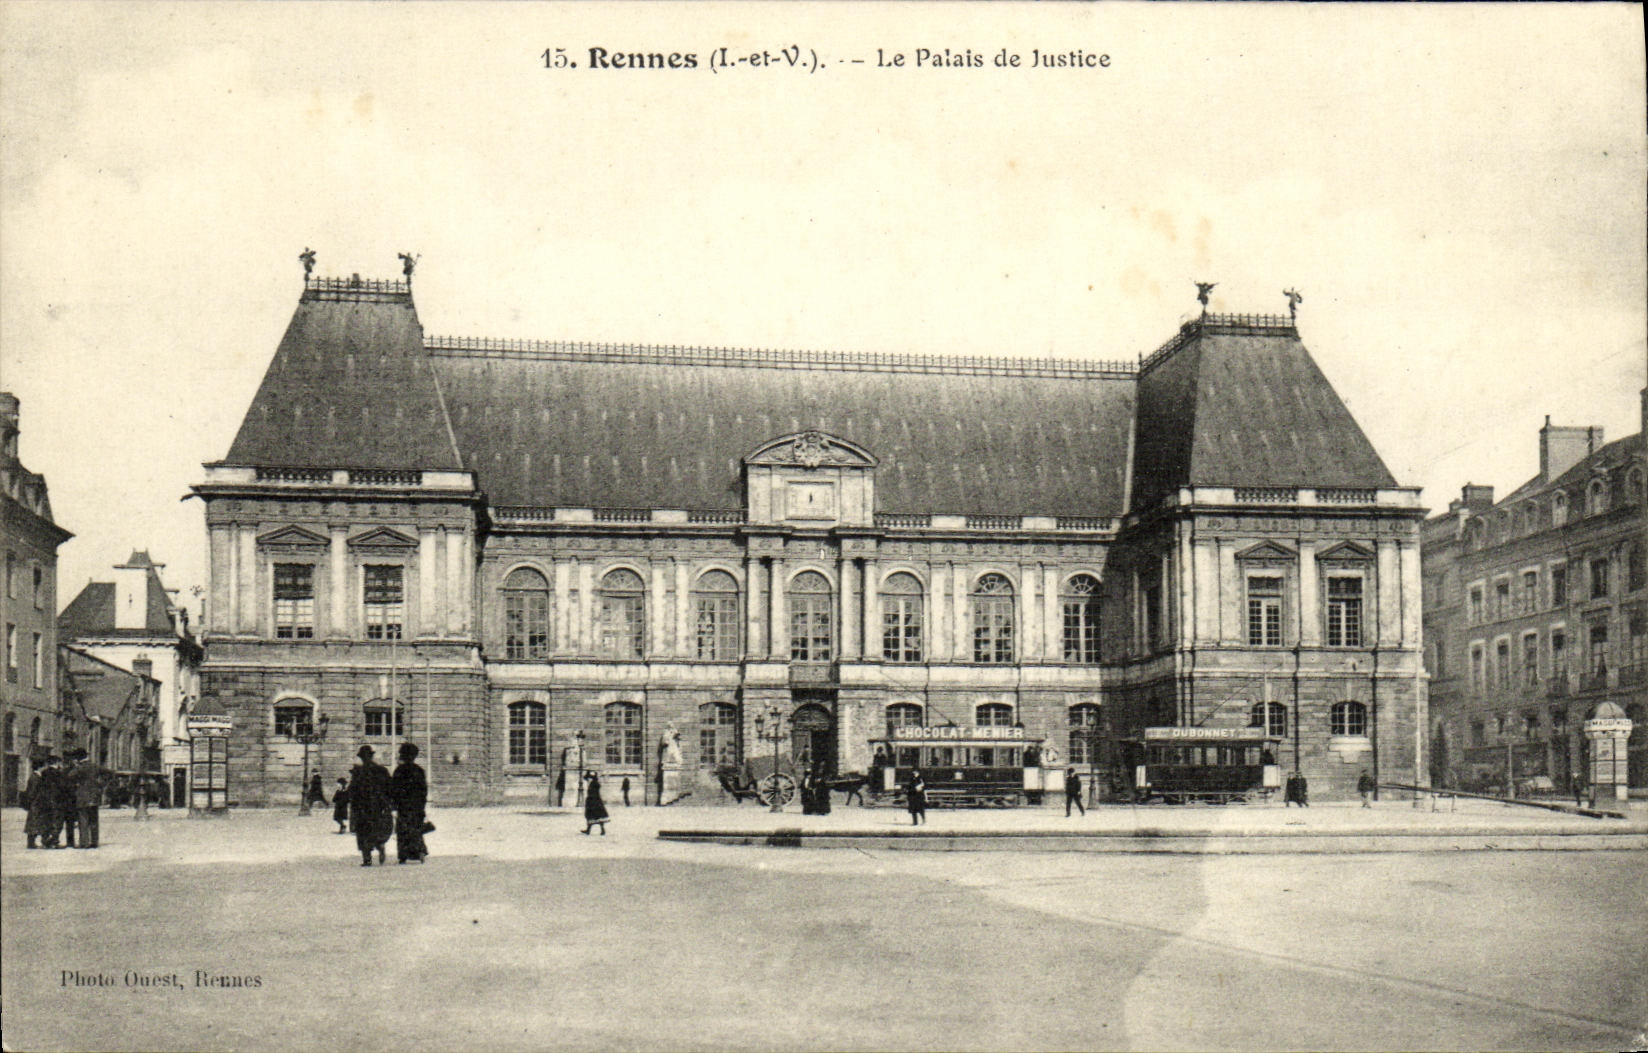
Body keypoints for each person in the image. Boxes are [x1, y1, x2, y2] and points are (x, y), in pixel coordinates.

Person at [349, 745, 394, 866]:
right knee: (376, 828)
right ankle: (380, 846)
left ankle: (367, 858)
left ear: (362, 758)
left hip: (362, 807)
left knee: (363, 832)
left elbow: (352, 790)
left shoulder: (358, 771)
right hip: (378, 806)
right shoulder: (382, 770)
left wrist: (353, 804)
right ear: (372, 756)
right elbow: (390, 788)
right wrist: (388, 803)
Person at [390, 742, 429, 864]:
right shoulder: (419, 771)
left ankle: (403, 855)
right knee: (416, 829)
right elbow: (423, 790)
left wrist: (394, 805)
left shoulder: (399, 771)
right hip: (417, 806)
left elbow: (394, 790)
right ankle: (420, 851)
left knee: (403, 830)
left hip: (403, 806)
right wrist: (422, 805)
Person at [69, 748, 102, 849]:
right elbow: (108, 772)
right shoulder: (95, 766)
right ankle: (94, 842)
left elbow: (69, 776)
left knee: (83, 820)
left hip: (83, 797)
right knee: (94, 821)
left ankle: (84, 843)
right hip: (94, 797)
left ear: (78, 758)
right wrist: (100, 786)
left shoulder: (80, 768)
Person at [24, 758, 54, 848]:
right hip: (36, 804)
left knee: (35, 823)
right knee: (34, 823)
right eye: (44, 766)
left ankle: (34, 842)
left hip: (37, 803)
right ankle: (31, 843)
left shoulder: (36, 776)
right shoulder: (35, 777)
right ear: (40, 767)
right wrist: (33, 801)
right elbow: (32, 792)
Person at [54, 752, 79, 847]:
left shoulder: (62, 771)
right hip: (68, 800)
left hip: (65, 800)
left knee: (66, 822)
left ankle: (59, 840)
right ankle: (64, 841)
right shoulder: (69, 772)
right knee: (67, 822)